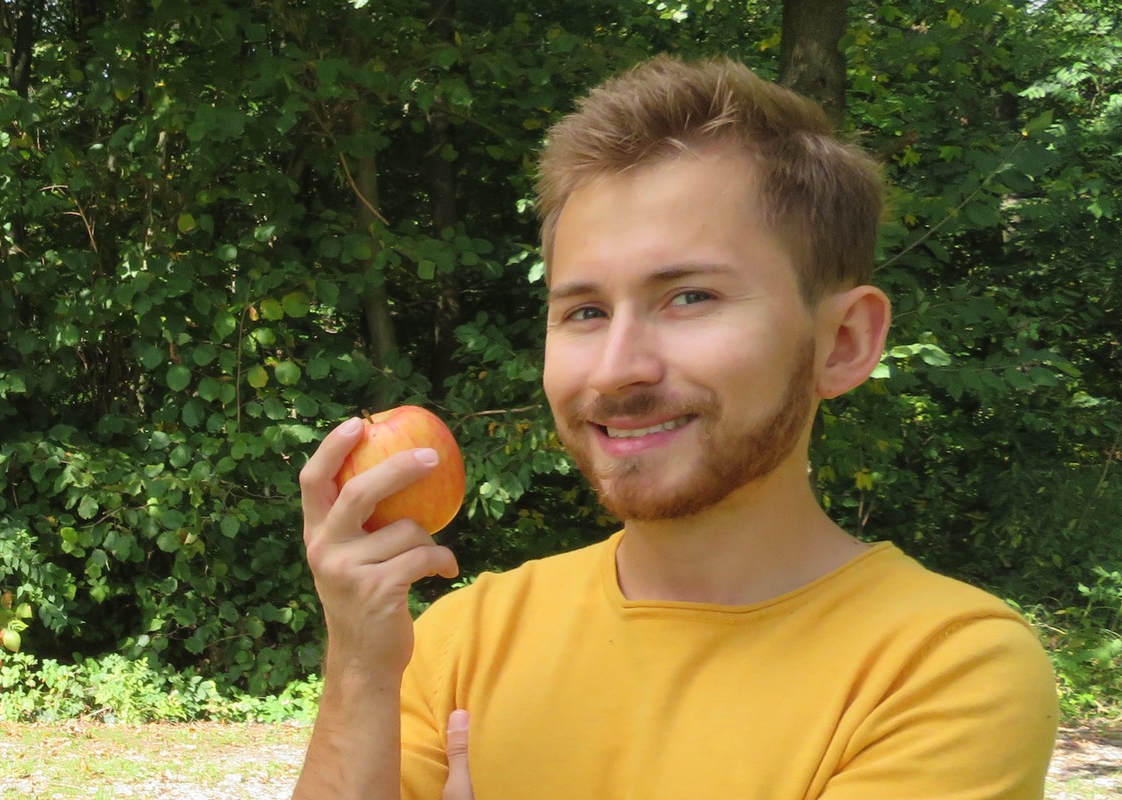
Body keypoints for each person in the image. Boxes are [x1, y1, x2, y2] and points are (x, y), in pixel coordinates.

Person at [293, 56, 1059, 800]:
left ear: (846, 342)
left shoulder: (943, 666)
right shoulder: (458, 641)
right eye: (585, 312)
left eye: (690, 297)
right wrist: (359, 663)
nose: (617, 369)